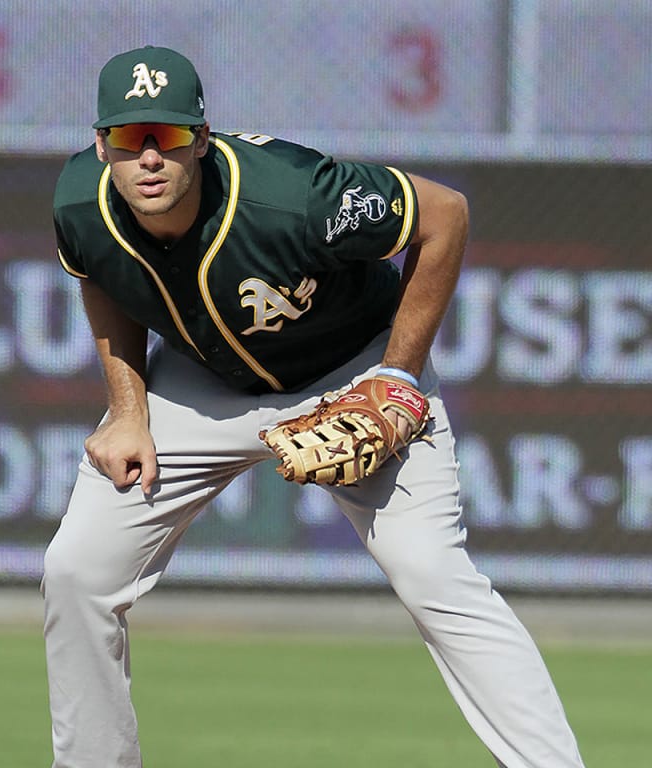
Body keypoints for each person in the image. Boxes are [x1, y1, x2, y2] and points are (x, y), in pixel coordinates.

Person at [42, 46, 582, 768]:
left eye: (167, 137)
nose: (148, 157)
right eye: (127, 138)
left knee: (431, 573)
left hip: (351, 369)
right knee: (76, 571)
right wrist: (127, 410)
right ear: (99, 143)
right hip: (199, 387)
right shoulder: (81, 205)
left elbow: (444, 215)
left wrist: (399, 379)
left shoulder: (295, 197)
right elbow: (105, 278)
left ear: (202, 140)